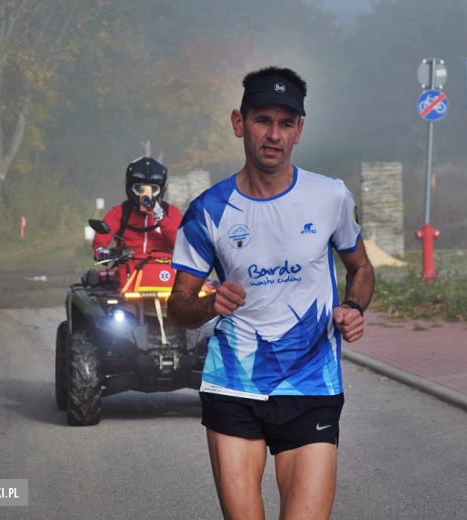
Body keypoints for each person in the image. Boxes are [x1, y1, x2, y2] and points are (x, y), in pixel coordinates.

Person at [167, 66, 374, 520]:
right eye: (263, 119)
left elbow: (360, 268)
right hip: (233, 384)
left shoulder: (330, 197)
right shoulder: (208, 211)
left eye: (286, 123)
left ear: (299, 130)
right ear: (240, 123)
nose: (273, 134)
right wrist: (207, 304)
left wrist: (353, 307)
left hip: (312, 383)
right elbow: (177, 306)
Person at [92, 156, 182, 267]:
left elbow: (180, 244)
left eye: (152, 190)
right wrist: (101, 249)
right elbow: (103, 233)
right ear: (130, 187)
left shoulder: (171, 212)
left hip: (165, 273)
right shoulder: (120, 212)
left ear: (162, 189)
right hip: (128, 273)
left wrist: (162, 219)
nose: (145, 196)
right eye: (140, 189)